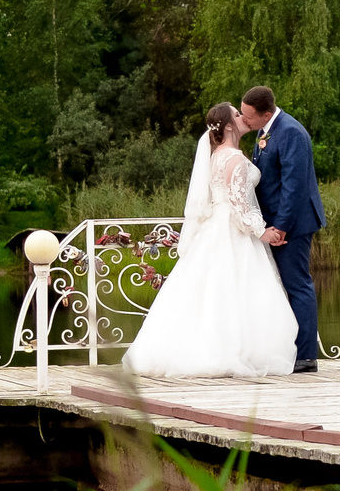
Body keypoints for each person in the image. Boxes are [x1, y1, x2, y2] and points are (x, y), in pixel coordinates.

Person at [121, 103, 299, 378]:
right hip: (231, 228)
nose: (242, 118)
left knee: (208, 289)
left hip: (214, 226)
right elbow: (239, 205)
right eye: (237, 115)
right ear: (228, 126)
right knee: (235, 288)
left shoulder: (215, 156)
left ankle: (190, 349)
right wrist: (262, 231)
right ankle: (229, 351)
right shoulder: (235, 159)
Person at [240, 85, 324, 372]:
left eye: (248, 116)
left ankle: (306, 356)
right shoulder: (265, 132)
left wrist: (282, 227)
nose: (244, 120)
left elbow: (294, 185)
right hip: (273, 224)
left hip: (292, 224)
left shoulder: (291, 132)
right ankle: (287, 351)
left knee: (297, 284)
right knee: (282, 286)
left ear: (265, 114)